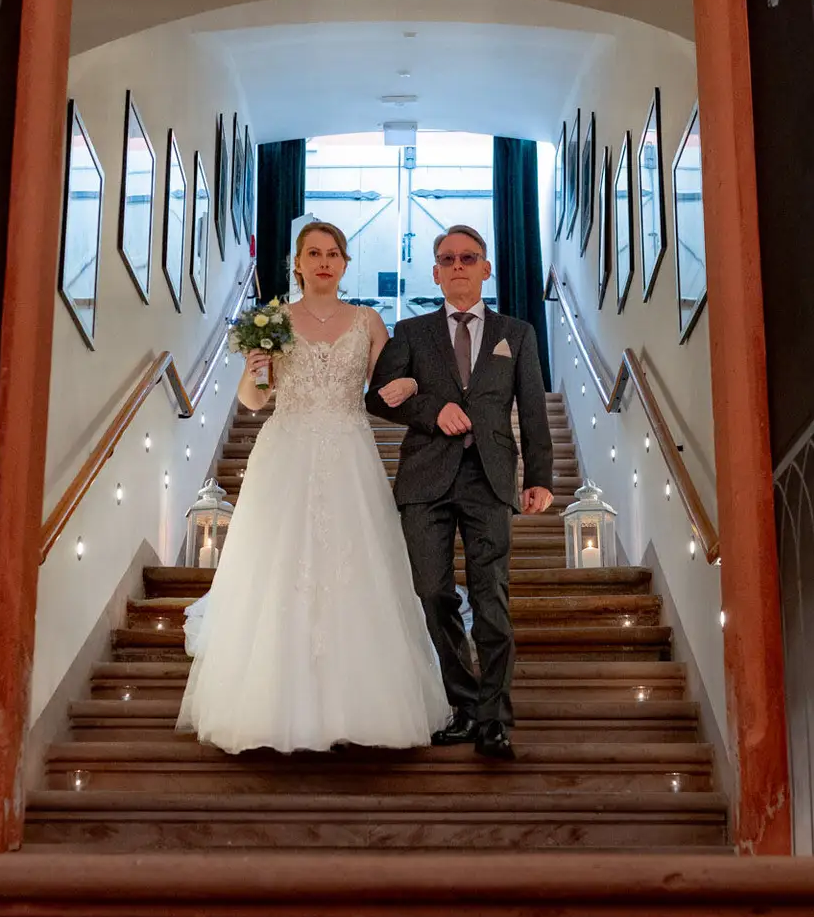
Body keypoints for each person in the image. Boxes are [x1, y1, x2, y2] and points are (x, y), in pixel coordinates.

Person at [178, 221, 451, 753]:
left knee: (357, 568)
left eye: (333, 253)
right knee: (280, 568)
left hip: (350, 453)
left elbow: (386, 387)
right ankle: (271, 707)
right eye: (313, 253)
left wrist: (410, 384)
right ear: (297, 263)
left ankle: (363, 707)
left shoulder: (368, 321)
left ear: (345, 264)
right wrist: (256, 370)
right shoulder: (273, 319)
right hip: (287, 452)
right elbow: (255, 402)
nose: (324, 261)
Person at [364, 225, 553, 760]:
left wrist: (540, 477)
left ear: (486, 269)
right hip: (425, 481)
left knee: (491, 598)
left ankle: (494, 719)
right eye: (447, 259)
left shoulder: (516, 334)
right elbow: (377, 399)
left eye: (468, 258)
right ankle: (463, 706)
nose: (458, 266)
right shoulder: (412, 331)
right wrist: (429, 409)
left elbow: (534, 412)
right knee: (433, 593)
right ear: (435, 273)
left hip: (490, 480)